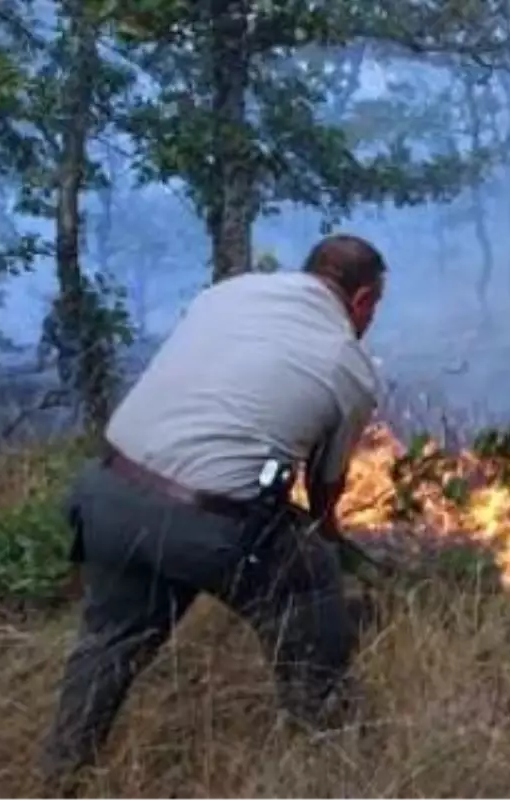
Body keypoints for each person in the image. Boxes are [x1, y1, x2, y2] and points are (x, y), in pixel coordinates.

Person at [38, 234, 386, 790]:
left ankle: (61, 773)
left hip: (106, 491)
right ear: (364, 299)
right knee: (309, 584)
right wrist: (331, 540)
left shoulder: (230, 292)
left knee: (110, 640)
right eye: (376, 308)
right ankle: (333, 748)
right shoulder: (349, 363)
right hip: (205, 522)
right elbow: (325, 487)